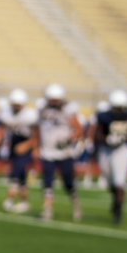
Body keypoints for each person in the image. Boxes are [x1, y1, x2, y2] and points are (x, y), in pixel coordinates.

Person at [32, 83, 84, 221]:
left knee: (68, 182)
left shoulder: (68, 110)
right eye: (52, 100)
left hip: (64, 152)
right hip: (48, 152)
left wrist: (69, 140)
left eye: (56, 100)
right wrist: (37, 147)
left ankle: (76, 205)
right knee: (47, 183)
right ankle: (48, 211)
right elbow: (37, 129)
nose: (55, 103)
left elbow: (79, 129)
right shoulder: (42, 109)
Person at [0, 88, 37, 214]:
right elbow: (1, 129)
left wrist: (27, 145)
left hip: (25, 145)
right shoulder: (7, 113)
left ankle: (10, 200)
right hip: (14, 145)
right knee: (21, 178)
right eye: (14, 105)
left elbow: (38, 135)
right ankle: (25, 203)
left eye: (18, 105)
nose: (16, 107)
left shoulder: (30, 115)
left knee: (15, 173)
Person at [95, 89, 127, 223]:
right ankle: (116, 199)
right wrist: (107, 139)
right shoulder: (104, 116)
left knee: (119, 181)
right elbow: (97, 134)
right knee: (109, 181)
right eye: (117, 108)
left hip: (121, 150)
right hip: (106, 149)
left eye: (121, 108)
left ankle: (118, 210)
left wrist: (124, 139)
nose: (119, 111)